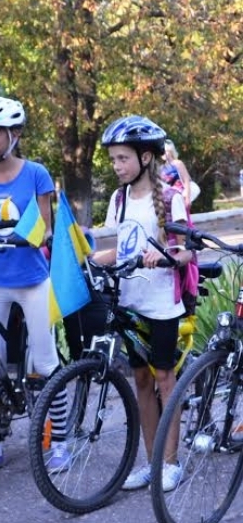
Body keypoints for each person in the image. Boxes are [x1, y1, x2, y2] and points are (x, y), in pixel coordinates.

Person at [0, 96, 69, 474]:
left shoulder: (36, 173)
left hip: (31, 280)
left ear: (15, 133)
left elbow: (45, 225)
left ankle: (60, 441)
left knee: (45, 361)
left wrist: (25, 238)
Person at [93, 115, 193, 492]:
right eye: (114, 159)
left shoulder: (170, 197)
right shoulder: (118, 199)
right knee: (141, 379)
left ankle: (171, 462)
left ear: (146, 158)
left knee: (165, 378)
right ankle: (151, 462)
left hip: (162, 303)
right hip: (131, 300)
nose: (117, 166)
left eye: (123, 159)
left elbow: (186, 252)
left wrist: (166, 256)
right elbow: (123, 247)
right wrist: (86, 258)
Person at [160, 139, 199, 205]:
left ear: (171, 151)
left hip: (180, 195)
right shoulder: (162, 168)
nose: (164, 154)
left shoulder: (178, 163)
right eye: (162, 152)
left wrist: (187, 197)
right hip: (169, 199)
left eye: (165, 151)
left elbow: (186, 180)